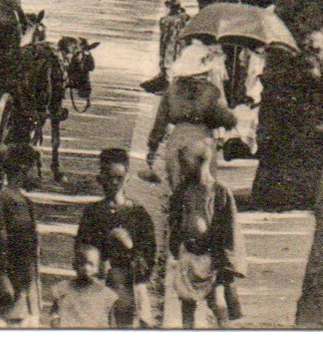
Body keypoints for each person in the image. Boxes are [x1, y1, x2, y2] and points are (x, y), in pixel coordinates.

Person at [75, 147, 157, 327]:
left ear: (127, 177)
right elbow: (80, 251)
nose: (114, 183)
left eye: (119, 177)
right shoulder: (92, 213)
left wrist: (129, 246)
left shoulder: (137, 214)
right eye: (109, 177)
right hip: (98, 285)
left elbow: (149, 256)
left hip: (129, 288)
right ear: (100, 178)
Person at [167, 139, 242, 328]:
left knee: (217, 300)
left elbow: (228, 227)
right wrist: (177, 244)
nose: (182, 169)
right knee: (187, 301)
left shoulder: (219, 191)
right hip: (189, 253)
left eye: (186, 164)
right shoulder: (183, 190)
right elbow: (174, 220)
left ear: (201, 162)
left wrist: (226, 260)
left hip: (211, 255)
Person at [146, 41, 236, 191]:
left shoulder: (173, 89)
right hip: (201, 140)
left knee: (176, 190)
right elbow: (226, 118)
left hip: (177, 138)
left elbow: (160, 122)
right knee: (204, 189)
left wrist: (152, 147)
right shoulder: (211, 91)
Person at [0, 143, 40, 327]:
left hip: (24, 283)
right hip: (7, 286)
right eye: (35, 169)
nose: (37, 175)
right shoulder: (1, 203)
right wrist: (2, 279)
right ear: (23, 170)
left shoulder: (25, 202)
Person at [45, 244, 118, 329]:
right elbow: (54, 315)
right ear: (75, 265)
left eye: (91, 264)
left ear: (97, 267)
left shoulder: (107, 295)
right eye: (82, 263)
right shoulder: (63, 289)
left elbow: (112, 323)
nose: (86, 268)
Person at [157, 0, 189, 80]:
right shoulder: (183, 18)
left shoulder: (165, 20)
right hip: (179, 43)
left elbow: (163, 35)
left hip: (169, 43)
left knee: (167, 63)